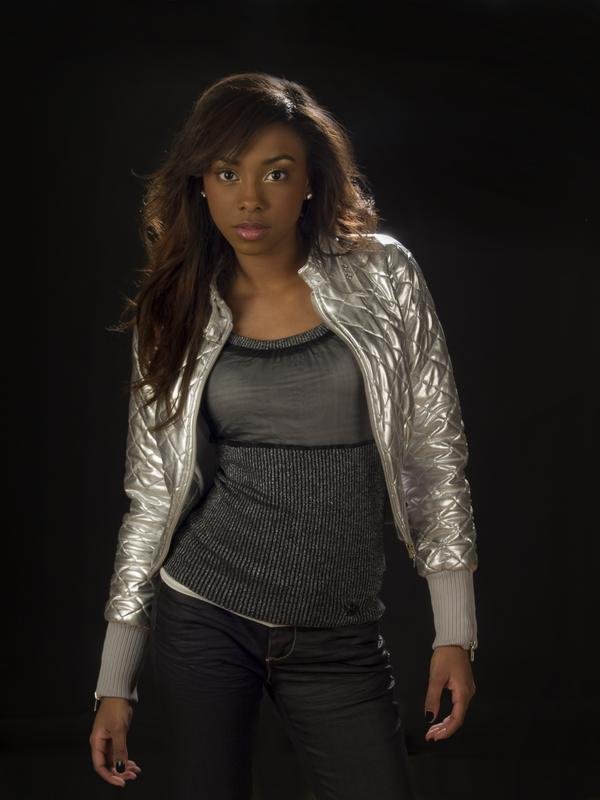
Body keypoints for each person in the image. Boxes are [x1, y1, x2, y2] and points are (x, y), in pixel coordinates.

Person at [89, 71, 478, 799]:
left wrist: (454, 631)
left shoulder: (383, 274)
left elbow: (434, 449)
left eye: (275, 173)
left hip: (339, 633)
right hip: (205, 613)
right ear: (199, 185)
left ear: (309, 181)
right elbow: (152, 496)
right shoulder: (174, 310)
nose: (249, 198)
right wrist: (116, 679)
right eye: (226, 173)